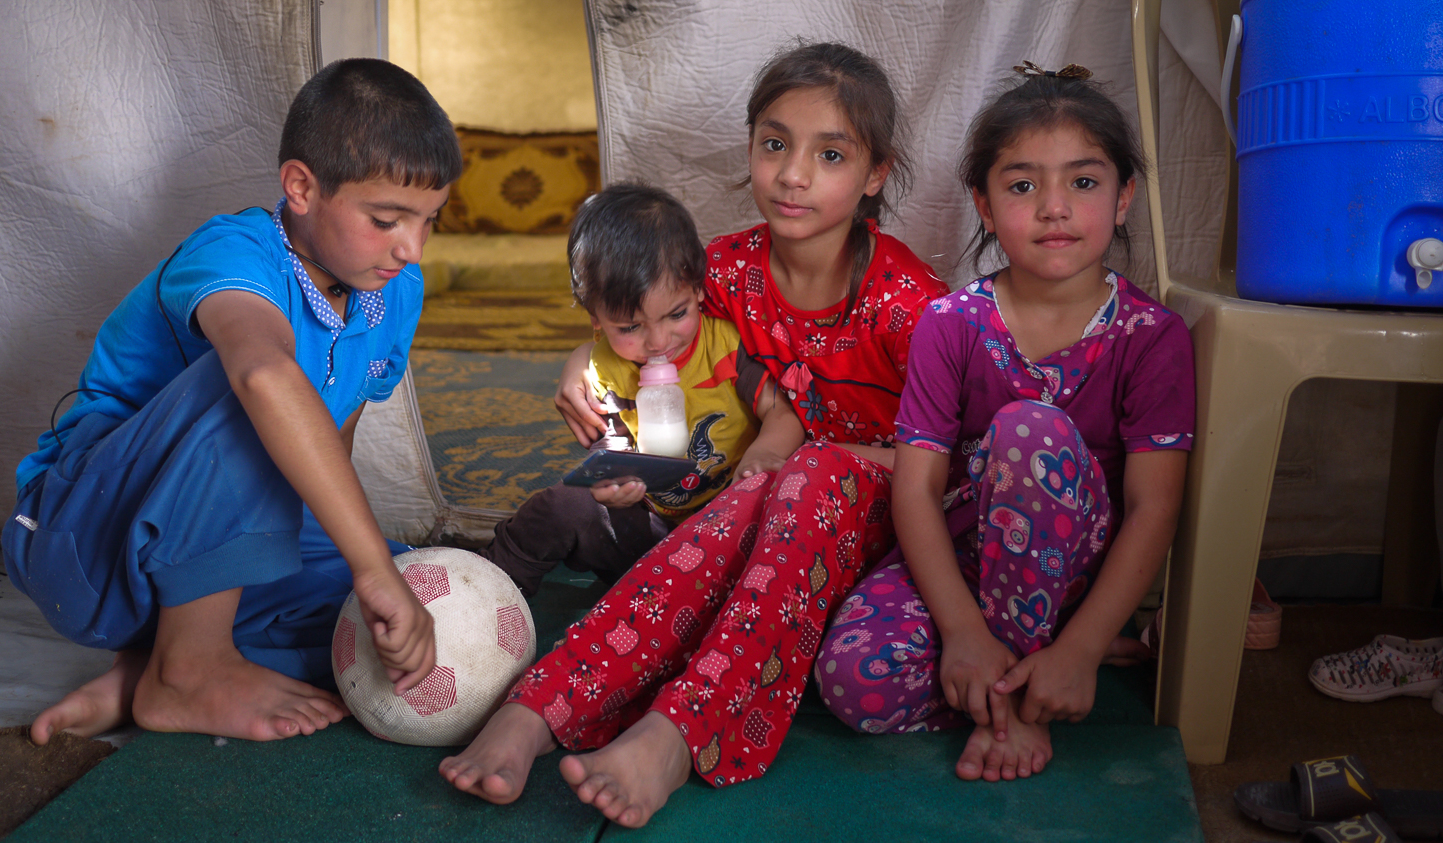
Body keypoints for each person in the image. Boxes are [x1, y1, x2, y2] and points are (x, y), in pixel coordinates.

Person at [440, 41, 948, 827]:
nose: (792, 173)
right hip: (747, 513)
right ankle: (537, 709)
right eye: (774, 143)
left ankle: (675, 736)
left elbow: (947, 465)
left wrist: (813, 458)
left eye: (831, 153)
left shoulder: (910, 303)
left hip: (879, 515)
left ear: (876, 174)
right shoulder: (722, 272)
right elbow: (643, 330)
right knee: (734, 509)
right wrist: (580, 363)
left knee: (800, 475)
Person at [0, 58, 459, 745]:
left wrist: (376, 578)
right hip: (85, 540)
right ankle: (190, 669)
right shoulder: (234, 253)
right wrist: (371, 570)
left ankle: (145, 674)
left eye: (430, 221)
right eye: (388, 219)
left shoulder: (394, 291)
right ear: (301, 187)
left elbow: (332, 443)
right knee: (266, 388)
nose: (412, 249)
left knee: (415, 613)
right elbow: (264, 379)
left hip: (189, 571)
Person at [812, 63, 1194, 783]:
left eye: (1083, 182)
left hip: (1069, 574)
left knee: (1029, 431)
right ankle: (1014, 678)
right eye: (1023, 185)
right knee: (851, 680)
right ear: (985, 207)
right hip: (956, 562)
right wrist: (958, 631)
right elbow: (918, 492)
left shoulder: (1151, 336)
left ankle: (1018, 698)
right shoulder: (950, 325)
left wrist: (1079, 645)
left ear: (1124, 198)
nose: (1055, 207)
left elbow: (1154, 505)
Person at [480, 183, 802, 597]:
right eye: (630, 327)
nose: (658, 340)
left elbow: (783, 412)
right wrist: (614, 488)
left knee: (788, 499)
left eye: (676, 314)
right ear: (595, 317)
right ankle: (489, 588)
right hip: (648, 533)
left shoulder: (726, 346)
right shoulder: (602, 370)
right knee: (561, 506)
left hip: (729, 524)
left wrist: (766, 453)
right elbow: (607, 450)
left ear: (700, 290)